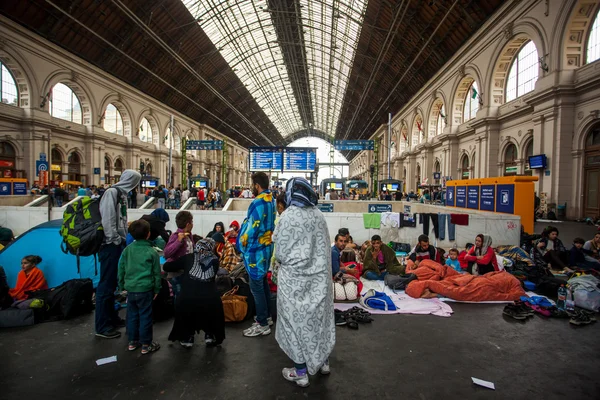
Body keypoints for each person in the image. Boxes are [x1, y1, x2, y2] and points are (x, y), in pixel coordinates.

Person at [273, 177, 335, 387]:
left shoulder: (288, 216)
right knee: (319, 320)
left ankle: (300, 372)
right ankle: (323, 362)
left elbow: (280, 252)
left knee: (294, 323)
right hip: (319, 280)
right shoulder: (319, 215)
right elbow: (326, 247)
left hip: (294, 283)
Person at [95, 169, 141, 339]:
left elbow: (120, 219)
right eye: (135, 181)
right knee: (105, 285)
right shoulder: (111, 193)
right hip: (109, 245)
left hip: (118, 244)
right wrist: (114, 239)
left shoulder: (121, 195)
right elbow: (107, 220)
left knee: (113, 284)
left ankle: (111, 318)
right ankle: (102, 326)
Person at [164, 239, 225, 348]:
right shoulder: (215, 260)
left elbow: (167, 267)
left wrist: (183, 267)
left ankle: (187, 337)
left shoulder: (188, 258)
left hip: (188, 297)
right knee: (209, 306)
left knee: (186, 303)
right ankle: (209, 335)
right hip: (210, 298)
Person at [238, 172, 276, 337]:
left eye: (252, 184)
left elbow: (252, 228)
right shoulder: (271, 200)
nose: (251, 187)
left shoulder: (257, 202)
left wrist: (242, 245)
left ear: (257, 185)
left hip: (255, 251)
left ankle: (262, 323)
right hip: (266, 249)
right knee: (263, 283)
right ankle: (266, 317)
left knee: (256, 287)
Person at [118, 220, 161, 354]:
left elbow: (121, 269)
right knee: (145, 316)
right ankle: (146, 344)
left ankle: (132, 341)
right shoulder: (152, 252)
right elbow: (156, 273)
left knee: (132, 315)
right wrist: (157, 289)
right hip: (146, 289)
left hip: (131, 289)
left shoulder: (127, 250)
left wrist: (121, 285)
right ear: (148, 234)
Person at [163, 211, 195, 299]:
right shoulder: (175, 236)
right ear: (188, 224)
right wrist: (178, 241)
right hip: (177, 274)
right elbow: (167, 253)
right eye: (192, 222)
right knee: (179, 298)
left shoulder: (189, 236)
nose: (193, 224)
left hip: (186, 273)